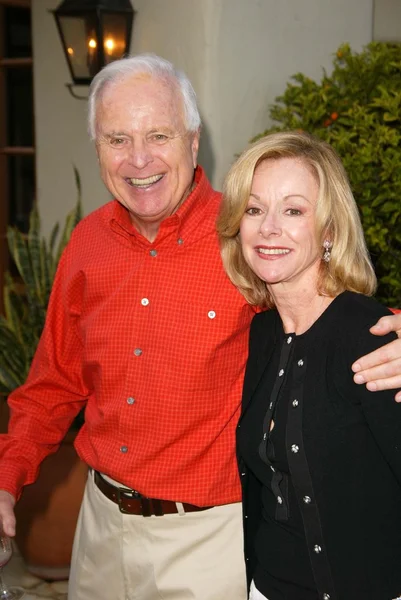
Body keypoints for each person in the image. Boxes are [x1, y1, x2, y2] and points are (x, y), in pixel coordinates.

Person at [0, 56, 400, 600]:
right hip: (98, 528)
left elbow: (331, 306)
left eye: (158, 135)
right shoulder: (86, 245)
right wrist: (7, 476)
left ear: (193, 141)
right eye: (117, 138)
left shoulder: (248, 241)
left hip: (207, 542)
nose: (138, 159)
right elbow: (53, 384)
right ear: (97, 147)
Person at [218, 130, 401, 600]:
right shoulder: (262, 333)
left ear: (329, 232)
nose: (268, 228)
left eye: (294, 210)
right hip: (268, 588)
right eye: (254, 210)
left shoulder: (371, 335)